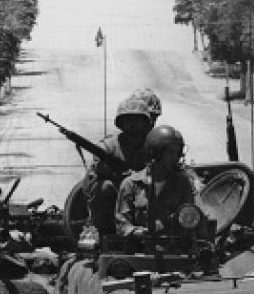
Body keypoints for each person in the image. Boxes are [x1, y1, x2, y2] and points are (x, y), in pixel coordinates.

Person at [81, 91, 158, 235]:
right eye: (127, 120)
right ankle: (107, 234)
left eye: (137, 120)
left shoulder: (153, 144)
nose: (132, 125)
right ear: (121, 123)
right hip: (115, 197)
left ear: (145, 122)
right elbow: (90, 184)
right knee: (104, 188)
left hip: (145, 194)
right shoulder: (109, 146)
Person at [114, 125, 199, 241]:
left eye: (177, 153)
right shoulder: (131, 184)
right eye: (170, 152)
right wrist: (140, 232)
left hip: (173, 249)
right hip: (138, 250)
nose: (175, 157)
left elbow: (189, 220)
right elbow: (122, 224)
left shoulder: (182, 184)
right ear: (155, 153)